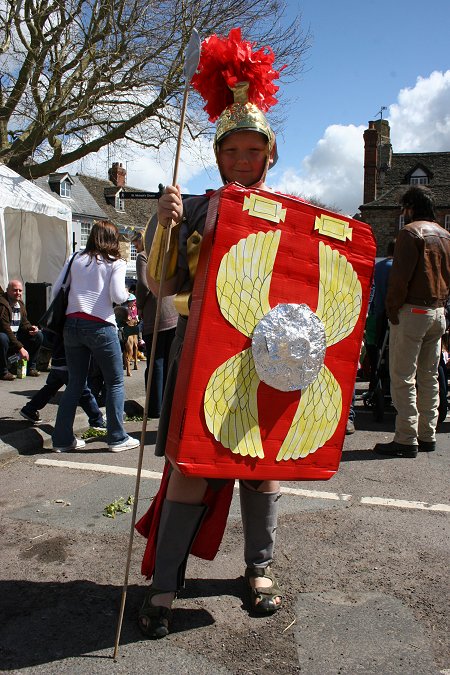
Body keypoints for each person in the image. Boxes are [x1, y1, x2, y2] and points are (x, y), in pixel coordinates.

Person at [136, 29, 283, 640]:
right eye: (235, 151)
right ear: (219, 155)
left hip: (267, 361)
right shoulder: (194, 209)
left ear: (268, 156)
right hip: (203, 354)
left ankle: (259, 570)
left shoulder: (290, 216)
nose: (245, 161)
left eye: (255, 151)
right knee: (193, 468)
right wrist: (161, 225)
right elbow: (161, 283)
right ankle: (165, 586)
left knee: (260, 467)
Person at [374, 186, 450, 458]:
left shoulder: (410, 233)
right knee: (429, 377)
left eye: (403, 207)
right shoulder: (445, 235)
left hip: (413, 311)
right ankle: (426, 434)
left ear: (410, 206)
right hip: (438, 311)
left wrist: (392, 310)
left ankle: (406, 438)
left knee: (403, 376)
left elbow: (399, 279)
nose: (401, 212)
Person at [51, 221, 140, 453]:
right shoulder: (116, 263)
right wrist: (127, 296)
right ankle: (117, 437)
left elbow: (55, 289)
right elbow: (118, 295)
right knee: (115, 382)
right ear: (112, 240)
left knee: (75, 383)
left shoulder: (75, 258)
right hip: (101, 326)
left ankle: (61, 440)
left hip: (72, 324)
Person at [133, 230, 177, 418]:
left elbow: (143, 284)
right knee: (168, 360)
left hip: (156, 312)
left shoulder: (144, 256)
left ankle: (154, 408)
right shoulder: (168, 251)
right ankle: (167, 405)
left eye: (135, 241)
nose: (135, 245)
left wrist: (140, 306)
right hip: (174, 310)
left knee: (155, 362)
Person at [20, 334, 105, 428]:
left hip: (57, 360)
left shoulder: (60, 322)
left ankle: (30, 408)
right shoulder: (74, 322)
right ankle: (97, 421)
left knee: (50, 388)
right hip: (70, 362)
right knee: (83, 392)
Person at [0, 280, 43, 380]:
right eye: (15, 290)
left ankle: (30, 368)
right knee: (2, 337)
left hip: (14, 338)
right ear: (7, 291)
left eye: (20, 290)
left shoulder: (20, 304)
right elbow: (6, 329)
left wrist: (31, 328)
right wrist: (21, 348)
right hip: (6, 338)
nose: (18, 293)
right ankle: (3, 371)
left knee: (38, 336)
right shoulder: (2, 305)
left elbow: (24, 322)